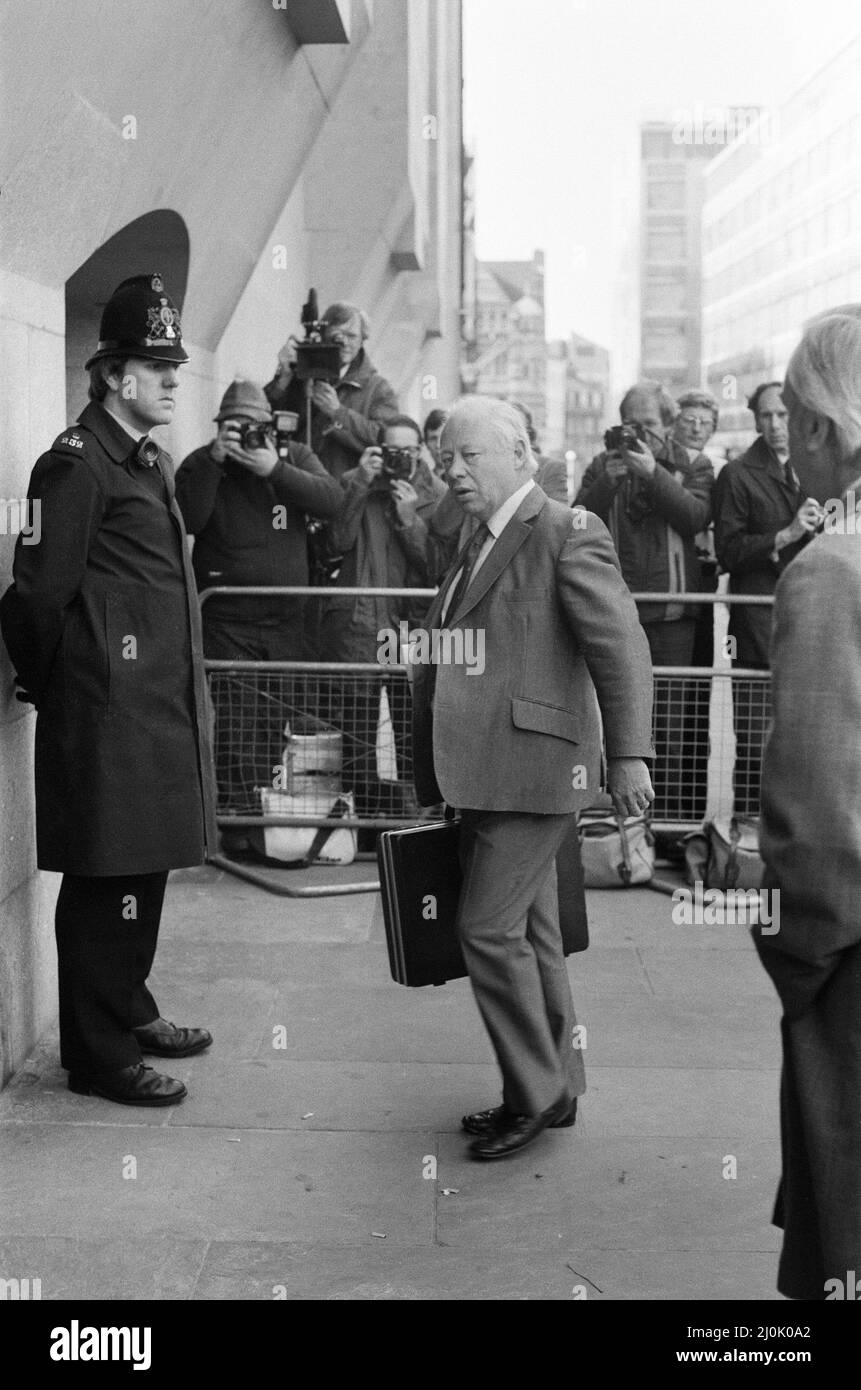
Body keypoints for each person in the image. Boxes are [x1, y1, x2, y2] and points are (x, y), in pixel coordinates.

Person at [412, 396, 654, 1160]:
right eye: (445, 459)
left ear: (518, 452)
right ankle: (559, 1085)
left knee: (485, 930)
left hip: (538, 772)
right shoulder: (475, 535)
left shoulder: (565, 529)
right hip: (488, 772)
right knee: (534, 938)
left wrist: (629, 756)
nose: (451, 472)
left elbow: (619, 645)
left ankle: (534, 1093)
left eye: (467, 457)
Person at [0, 273, 216, 1107]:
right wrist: (63, 688)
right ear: (113, 374)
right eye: (155, 365)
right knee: (104, 883)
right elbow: (34, 596)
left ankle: (128, 1007)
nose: (170, 378)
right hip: (104, 715)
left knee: (144, 867)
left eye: (173, 364)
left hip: (151, 711)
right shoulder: (76, 465)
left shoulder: (144, 458)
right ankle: (97, 1054)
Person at [753, 305, 861, 1300]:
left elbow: (815, 823)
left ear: (824, 429)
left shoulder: (829, 571)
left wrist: (798, 959)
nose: (785, 440)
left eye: (791, 417)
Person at [175, 379, 342, 846]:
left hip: (287, 621)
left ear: (270, 426)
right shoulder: (203, 463)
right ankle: (236, 828)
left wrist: (275, 469)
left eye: (255, 427)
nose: (247, 436)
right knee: (234, 726)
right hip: (228, 621)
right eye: (236, 427)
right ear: (220, 428)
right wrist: (214, 461)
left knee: (274, 726)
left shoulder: (292, 457)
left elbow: (332, 501)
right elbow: (187, 519)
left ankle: (266, 825)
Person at [575, 381, 713, 823]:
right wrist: (609, 483)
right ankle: (621, 830)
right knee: (614, 723)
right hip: (614, 616)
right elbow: (576, 522)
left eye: (649, 424)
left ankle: (665, 825)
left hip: (672, 615)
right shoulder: (603, 464)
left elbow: (694, 518)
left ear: (669, 425)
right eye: (631, 424)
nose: (640, 433)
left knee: (667, 727)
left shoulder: (694, 464)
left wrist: (653, 473)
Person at [320, 414, 445, 832]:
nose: (400, 459)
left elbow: (436, 569)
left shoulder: (438, 495)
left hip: (412, 630)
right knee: (356, 730)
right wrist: (359, 483)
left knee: (415, 730)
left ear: (420, 453)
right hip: (361, 623)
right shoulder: (358, 484)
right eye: (392, 451)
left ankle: (415, 827)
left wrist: (410, 519)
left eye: (409, 451)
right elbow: (334, 544)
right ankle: (366, 826)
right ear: (377, 450)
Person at [713, 382, 819, 813]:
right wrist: (787, 533)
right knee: (756, 741)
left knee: (807, 742)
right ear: (755, 419)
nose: (776, 425)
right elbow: (728, 552)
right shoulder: (737, 474)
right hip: (757, 630)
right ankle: (747, 835)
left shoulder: (818, 468)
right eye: (766, 416)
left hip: (811, 625)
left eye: (783, 415)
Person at [264, 301, 399, 482]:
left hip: (346, 491)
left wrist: (338, 413)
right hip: (296, 485)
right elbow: (264, 419)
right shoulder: (301, 376)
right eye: (336, 336)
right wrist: (283, 377)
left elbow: (387, 439)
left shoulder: (378, 388)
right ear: (323, 337)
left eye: (351, 336)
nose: (343, 343)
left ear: (362, 341)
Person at [423, 407, 449, 477]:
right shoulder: (424, 482)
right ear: (426, 444)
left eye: (444, 437)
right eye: (433, 439)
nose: (438, 445)